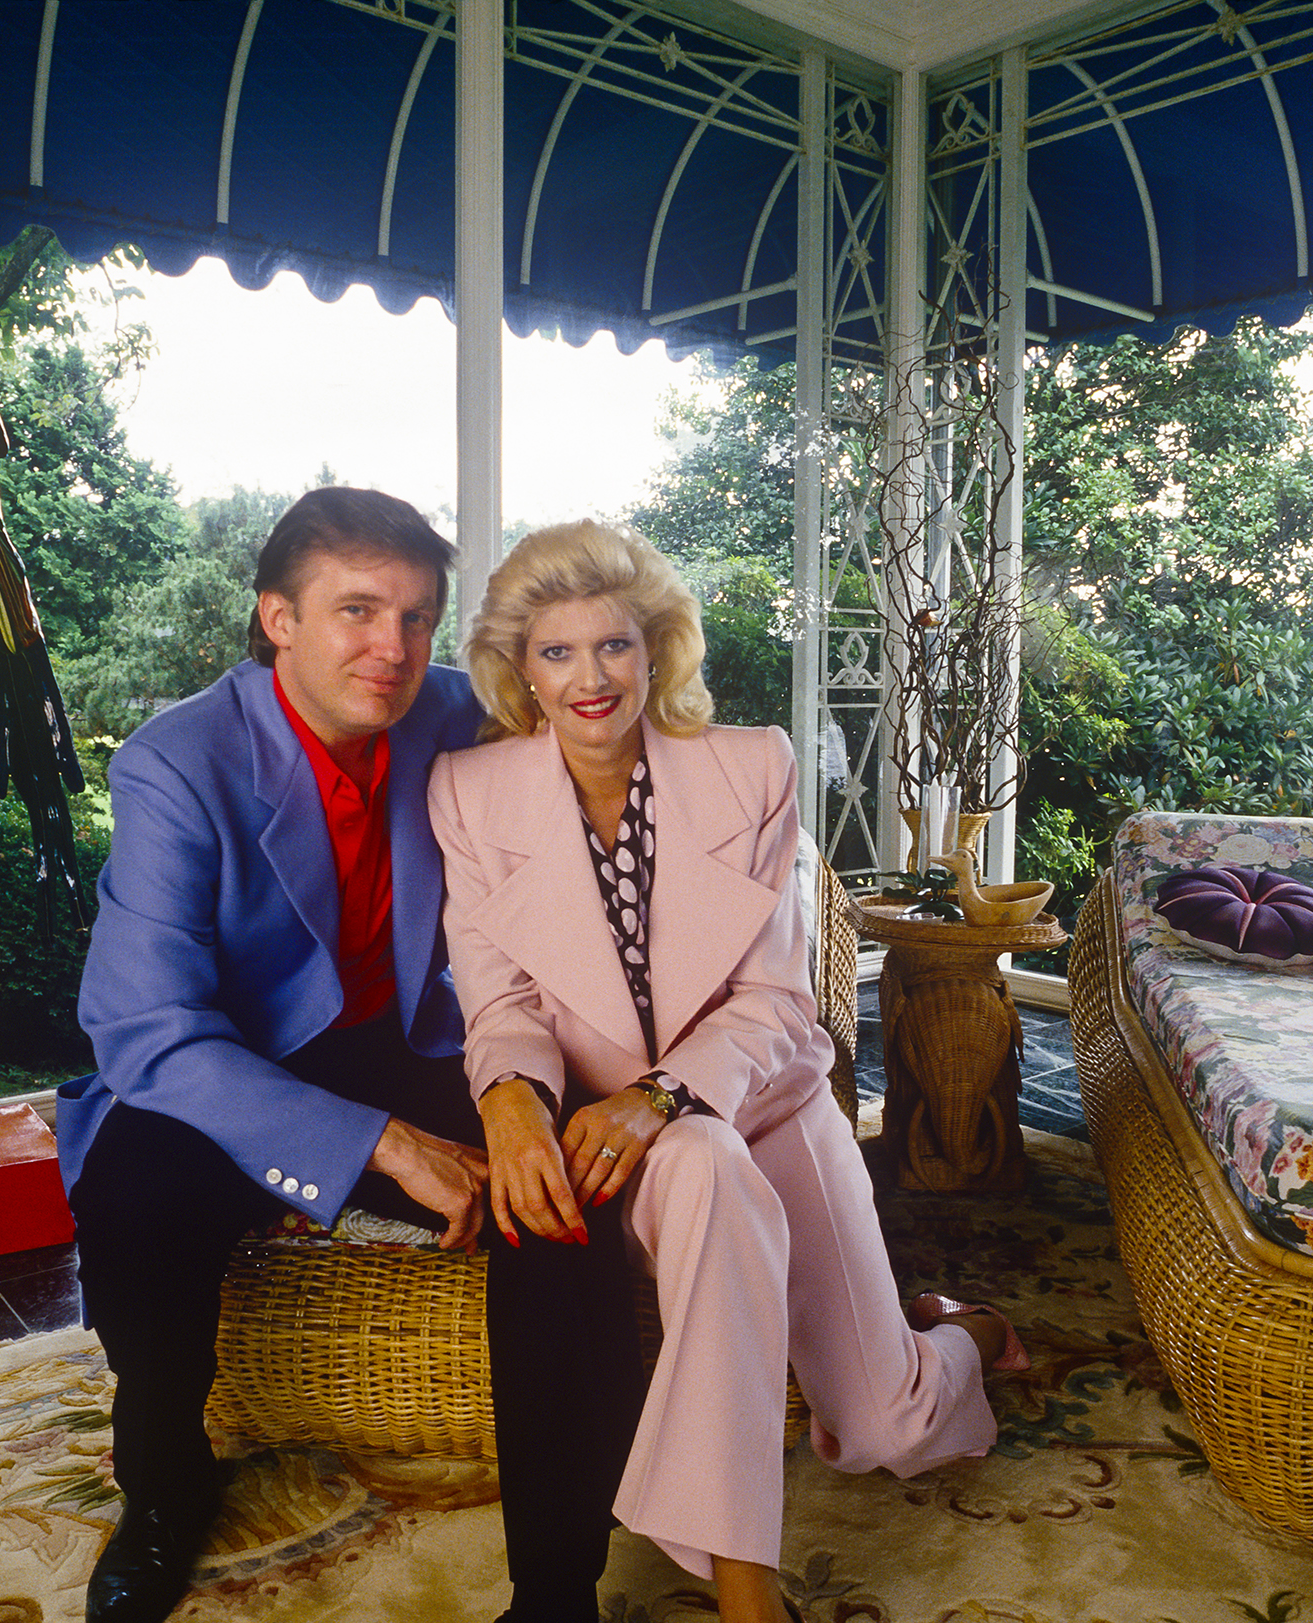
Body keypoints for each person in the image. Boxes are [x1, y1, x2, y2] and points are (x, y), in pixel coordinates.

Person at [58, 487, 643, 1623]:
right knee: (133, 1193)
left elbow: (624, 742)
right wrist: (381, 1146)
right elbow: (146, 1032)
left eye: (419, 618)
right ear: (277, 617)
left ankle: (559, 1582)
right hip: (237, 1060)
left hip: (413, 1036)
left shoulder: (463, 717)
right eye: (359, 612)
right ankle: (165, 1491)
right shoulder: (176, 765)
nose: (395, 649)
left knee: (557, 1181)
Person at [428, 519, 1027, 1623]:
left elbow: (776, 1003)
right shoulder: (469, 794)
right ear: (520, 672)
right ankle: (749, 1586)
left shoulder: (750, 766)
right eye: (557, 654)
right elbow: (502, 1003)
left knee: (888, 1429)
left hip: (766, 1100)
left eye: (613, 645)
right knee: (694, 1165)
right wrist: (512, 1104)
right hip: (621, 1129)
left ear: (655, 648)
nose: (591, 677)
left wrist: (664, 1097)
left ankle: (971, 1332)